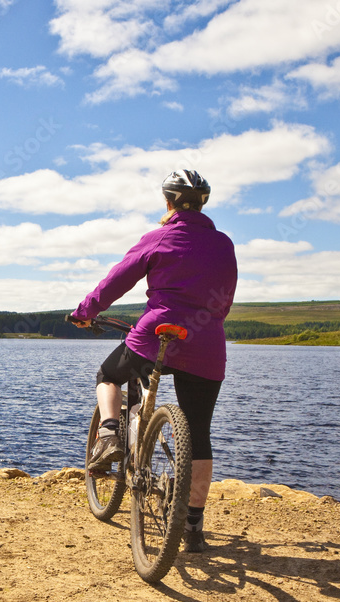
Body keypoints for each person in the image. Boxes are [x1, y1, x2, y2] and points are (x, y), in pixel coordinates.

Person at [68, 169, 237, 553]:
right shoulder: (224, 243)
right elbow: (224, 298)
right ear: (202, 204)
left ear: (168, 202)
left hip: (156, 338)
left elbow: (116, 281)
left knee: (108, 374)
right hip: (207, 345)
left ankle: (109, 433)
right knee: (198, 433)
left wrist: (84, 312)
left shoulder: (159, 237)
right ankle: (193, 527)